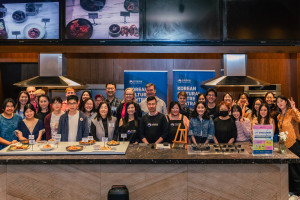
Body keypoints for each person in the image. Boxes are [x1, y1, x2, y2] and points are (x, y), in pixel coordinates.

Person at [276, 96, 300, 196]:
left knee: (296, 170)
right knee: (288, 170)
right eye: (277, 102)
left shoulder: (291, 112)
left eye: (281, 101)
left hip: (294, 144)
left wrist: (294, 108)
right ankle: (291, 191)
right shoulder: (279, 116)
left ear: (286, 102)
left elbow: (299, 119)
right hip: (284, 146)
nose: (280, 103)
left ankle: (298, 193)